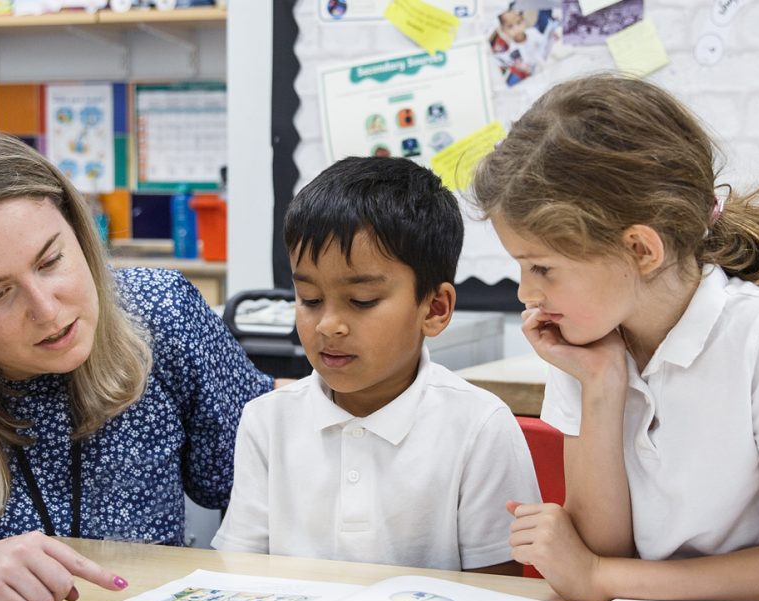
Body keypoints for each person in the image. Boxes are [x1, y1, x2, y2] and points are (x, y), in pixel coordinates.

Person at [0, 129, 274, 601]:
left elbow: (278, 491)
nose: (46, 309)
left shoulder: (159, 312)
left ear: (82, 238)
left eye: (52, 261)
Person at [472, 73, 759, 601]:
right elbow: (602, 546)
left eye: (542, 267)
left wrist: (597, 578)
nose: (527, 294)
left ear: (642, 250)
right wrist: (601, 385)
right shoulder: (585, 343)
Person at [213, 156, 540, 573]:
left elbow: (501, 595)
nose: (328, 325)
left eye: (362, 301)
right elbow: (238, 571)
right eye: (310, 299)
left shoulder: (479, 426)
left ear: (435, 308)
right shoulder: (266, 420)